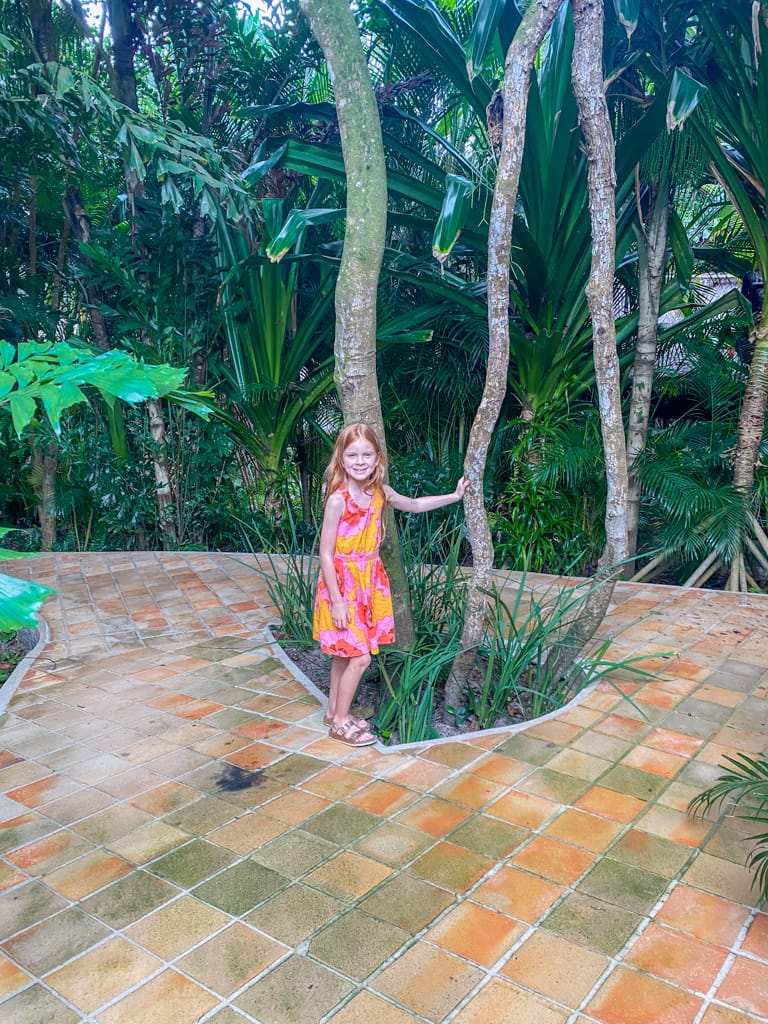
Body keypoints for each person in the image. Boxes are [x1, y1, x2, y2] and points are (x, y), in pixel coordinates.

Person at [313, 422, 468, 747]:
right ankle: (340, 722)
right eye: (351, 454)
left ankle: (332, 712)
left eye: (366, 454)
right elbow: (325, 553)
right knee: (359, 658)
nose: (359, 461)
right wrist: (338, 601)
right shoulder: (338, 501)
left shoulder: (380, 493)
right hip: (342, 587)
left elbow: (414, 504)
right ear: (341, 459)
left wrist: (454, 496)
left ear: (377, 458)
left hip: (369, 583)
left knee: (345, 654)